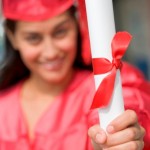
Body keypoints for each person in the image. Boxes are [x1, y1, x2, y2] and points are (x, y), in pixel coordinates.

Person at [0, 0, 149, 149]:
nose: (50, 52)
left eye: (60, 32)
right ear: (12, 37)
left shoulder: (107, 82)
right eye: (33, 38)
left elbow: (132, 104)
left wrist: (116, 133)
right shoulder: (3, 104)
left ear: (77, 25)